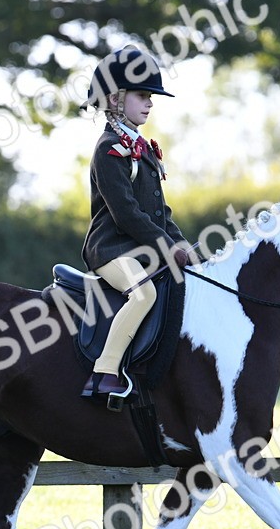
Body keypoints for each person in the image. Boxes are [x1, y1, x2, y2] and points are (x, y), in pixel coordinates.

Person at [79, 47, 197, 399]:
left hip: (138, 248)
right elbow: (127, 214)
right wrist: (166, 247)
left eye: (150, 97)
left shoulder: (141, 148)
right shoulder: (109, 150)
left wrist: (183, 245)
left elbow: (160, 212)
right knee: (143, 292)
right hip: (111, 250)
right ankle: (104, 372)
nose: (149, 103)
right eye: (142, 95)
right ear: (115, 98)